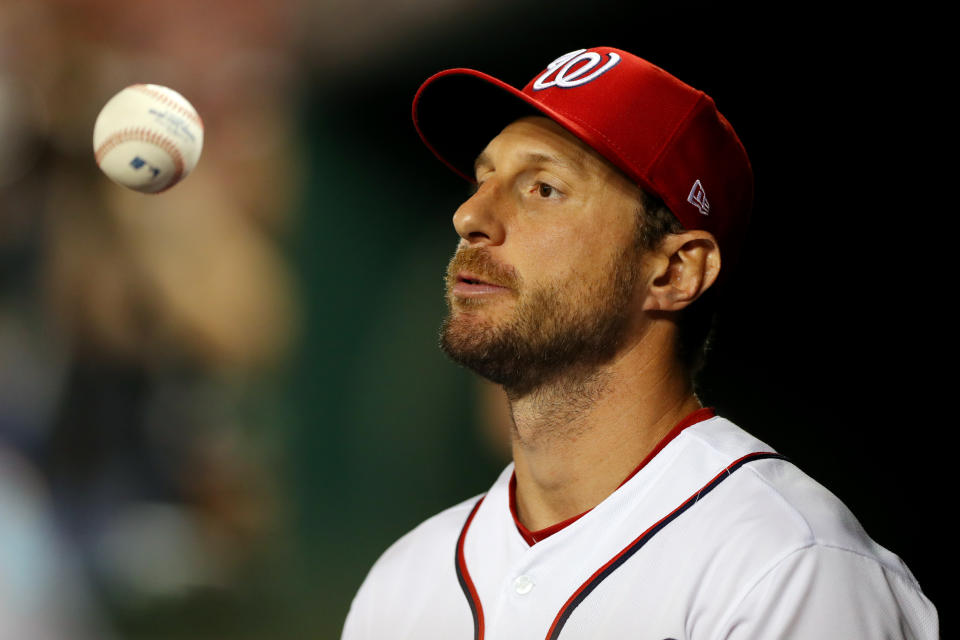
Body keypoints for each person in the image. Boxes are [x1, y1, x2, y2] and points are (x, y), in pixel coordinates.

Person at [340, 47, 939, 639]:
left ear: (676, 271)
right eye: (483, 179)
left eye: (543, 188)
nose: (469, 215)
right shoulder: (404, 582)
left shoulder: (785, 567)